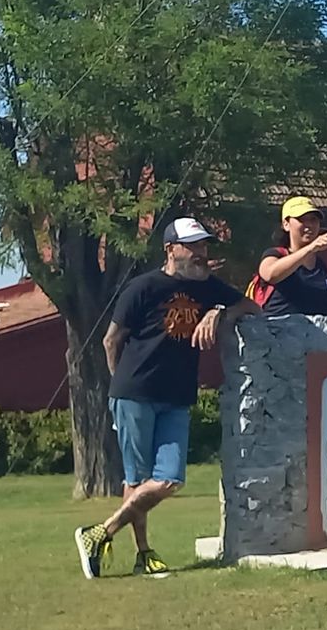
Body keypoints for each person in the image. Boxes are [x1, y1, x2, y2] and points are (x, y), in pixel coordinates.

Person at [74, 217, 259, 579]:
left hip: (177, 396)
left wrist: (218, 312)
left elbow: (252, 308)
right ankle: (143, 553)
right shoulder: (143, 288)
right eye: (192, 246)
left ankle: (99, 533)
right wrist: (121, 389)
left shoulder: (208, 287)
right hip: (135, 393)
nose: (201, 254)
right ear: (170, 249)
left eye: (204, 246)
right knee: (137, 476)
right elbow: (111, 340)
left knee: (169, 479)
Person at [252, 196, 327, 316]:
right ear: (286, 224)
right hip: (275, 332)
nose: (309, 225)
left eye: (313, 219)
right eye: (301, 219)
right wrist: (310, 248)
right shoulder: (275, 254)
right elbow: (270, 274)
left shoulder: (322, 266)